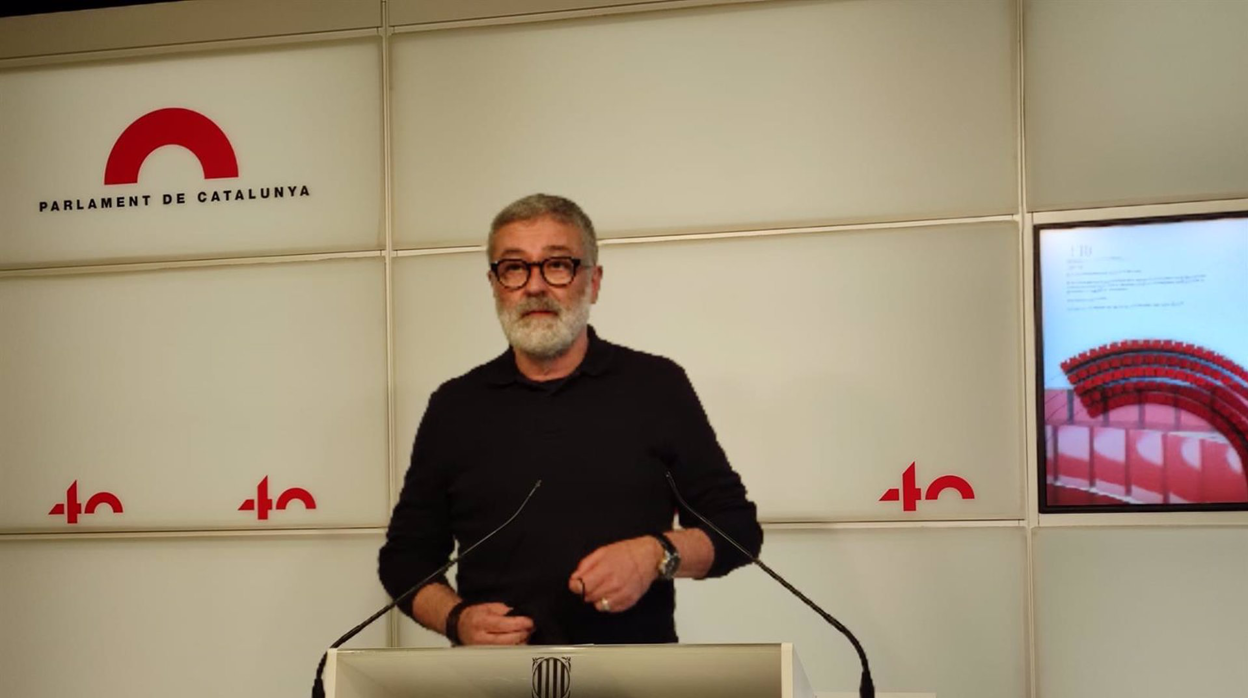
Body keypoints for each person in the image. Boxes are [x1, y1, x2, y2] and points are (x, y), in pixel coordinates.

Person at [378, 194, 762, 646]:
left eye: (557, 265)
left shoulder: (656, 387)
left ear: (594, 281)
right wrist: (455, 619)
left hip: (635, 680)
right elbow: (405, 558)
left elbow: (737, 531)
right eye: (515, 267)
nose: (535, 286)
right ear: (495, 284)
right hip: (493, 682)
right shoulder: (455, 406)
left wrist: (655, 554)